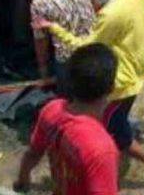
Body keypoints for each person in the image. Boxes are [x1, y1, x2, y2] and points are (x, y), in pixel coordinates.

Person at [34, 0, 144, 194]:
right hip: (139, 71)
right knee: (116, 119)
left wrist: (53, 28)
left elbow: (85, 47)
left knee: (116, 133)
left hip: (119, 83)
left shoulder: (110, 14)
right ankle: (121, 123)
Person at [13, 43, 120, 194]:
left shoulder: (51, 110)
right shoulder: (101, 150)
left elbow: (33, 152)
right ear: (111, 87)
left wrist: (22, 180)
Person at [28, 0, 98, 91]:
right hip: (95, 49)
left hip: (69, 60)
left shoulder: (39, 3)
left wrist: (44, 74)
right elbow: (99, 4)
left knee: (70, 102)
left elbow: (41, 42)